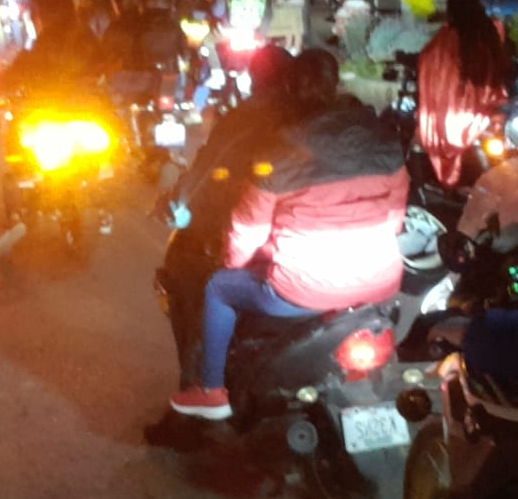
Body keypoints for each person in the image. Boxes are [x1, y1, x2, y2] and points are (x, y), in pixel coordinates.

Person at [171, 50, 408, 418]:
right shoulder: (384, 143)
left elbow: (246, 229)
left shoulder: (281, 152)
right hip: (380, 282)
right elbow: (395, 217)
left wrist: (232, 262)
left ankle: (211, 391)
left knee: (219, 286)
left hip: (304, 288)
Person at [156, 46, 297, 402]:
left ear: (257, 78)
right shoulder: (317, 117)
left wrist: (178, 199)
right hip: (321, 240)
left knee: (190, 274)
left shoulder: (246, 119)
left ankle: (200, 388)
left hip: (262, 232)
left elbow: (206, 168)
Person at [414, 0, 511, 190]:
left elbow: (427, 64)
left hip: (445, 122)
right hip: (482, 117)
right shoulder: (491, 32)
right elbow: (504, 68)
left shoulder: (443, 42)